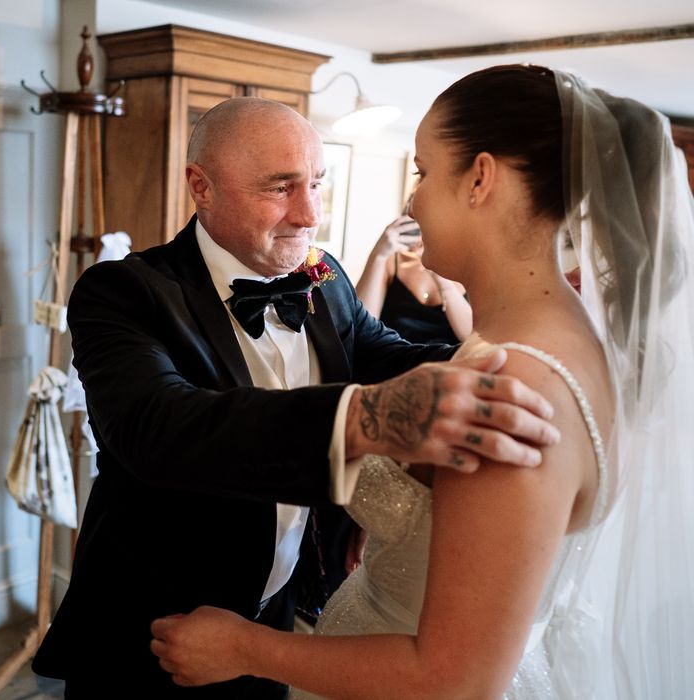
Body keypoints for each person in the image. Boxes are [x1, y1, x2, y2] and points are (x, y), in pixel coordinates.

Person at [149, 66, 694, 698]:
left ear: (481, 179)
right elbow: (159, 423)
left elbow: (455, 679)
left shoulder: (513, 387)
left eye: (423, 171)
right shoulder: (544, 348)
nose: (411, 201)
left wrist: (247, 648)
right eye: (281, 186)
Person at [30, 96, 561, 699]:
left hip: (276, 617)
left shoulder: (324, 277)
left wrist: (525, 359)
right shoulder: (123, 291)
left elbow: (388, 355)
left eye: (316, 183)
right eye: (281, 188)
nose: (309, 213)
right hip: (151, 630)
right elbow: (158, 429)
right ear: (200, 186)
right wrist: (362, 419)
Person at [356, 212, 472, 344]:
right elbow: (361, 327)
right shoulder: (391, 262)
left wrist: (441, 279)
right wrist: (377, 256)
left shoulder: (469, 267)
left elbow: (471, 338)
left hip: (446, 361)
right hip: (395, 358)